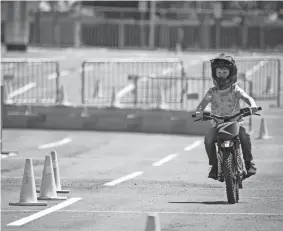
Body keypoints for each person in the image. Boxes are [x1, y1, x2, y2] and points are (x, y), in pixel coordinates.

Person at [196, 53, 257, 180]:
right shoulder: (211, 92)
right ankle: (214, 166)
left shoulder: (235, 89)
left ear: (231, 73)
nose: (222, 75)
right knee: (208, 139)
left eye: (225, 72)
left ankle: (249, 163)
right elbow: (202, 105)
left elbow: (247, 98)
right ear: (214, 73)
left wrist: (253, 105)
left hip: (235, 123)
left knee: (244, 137)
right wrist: (199, 112)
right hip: (218, 124)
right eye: (219, 72)